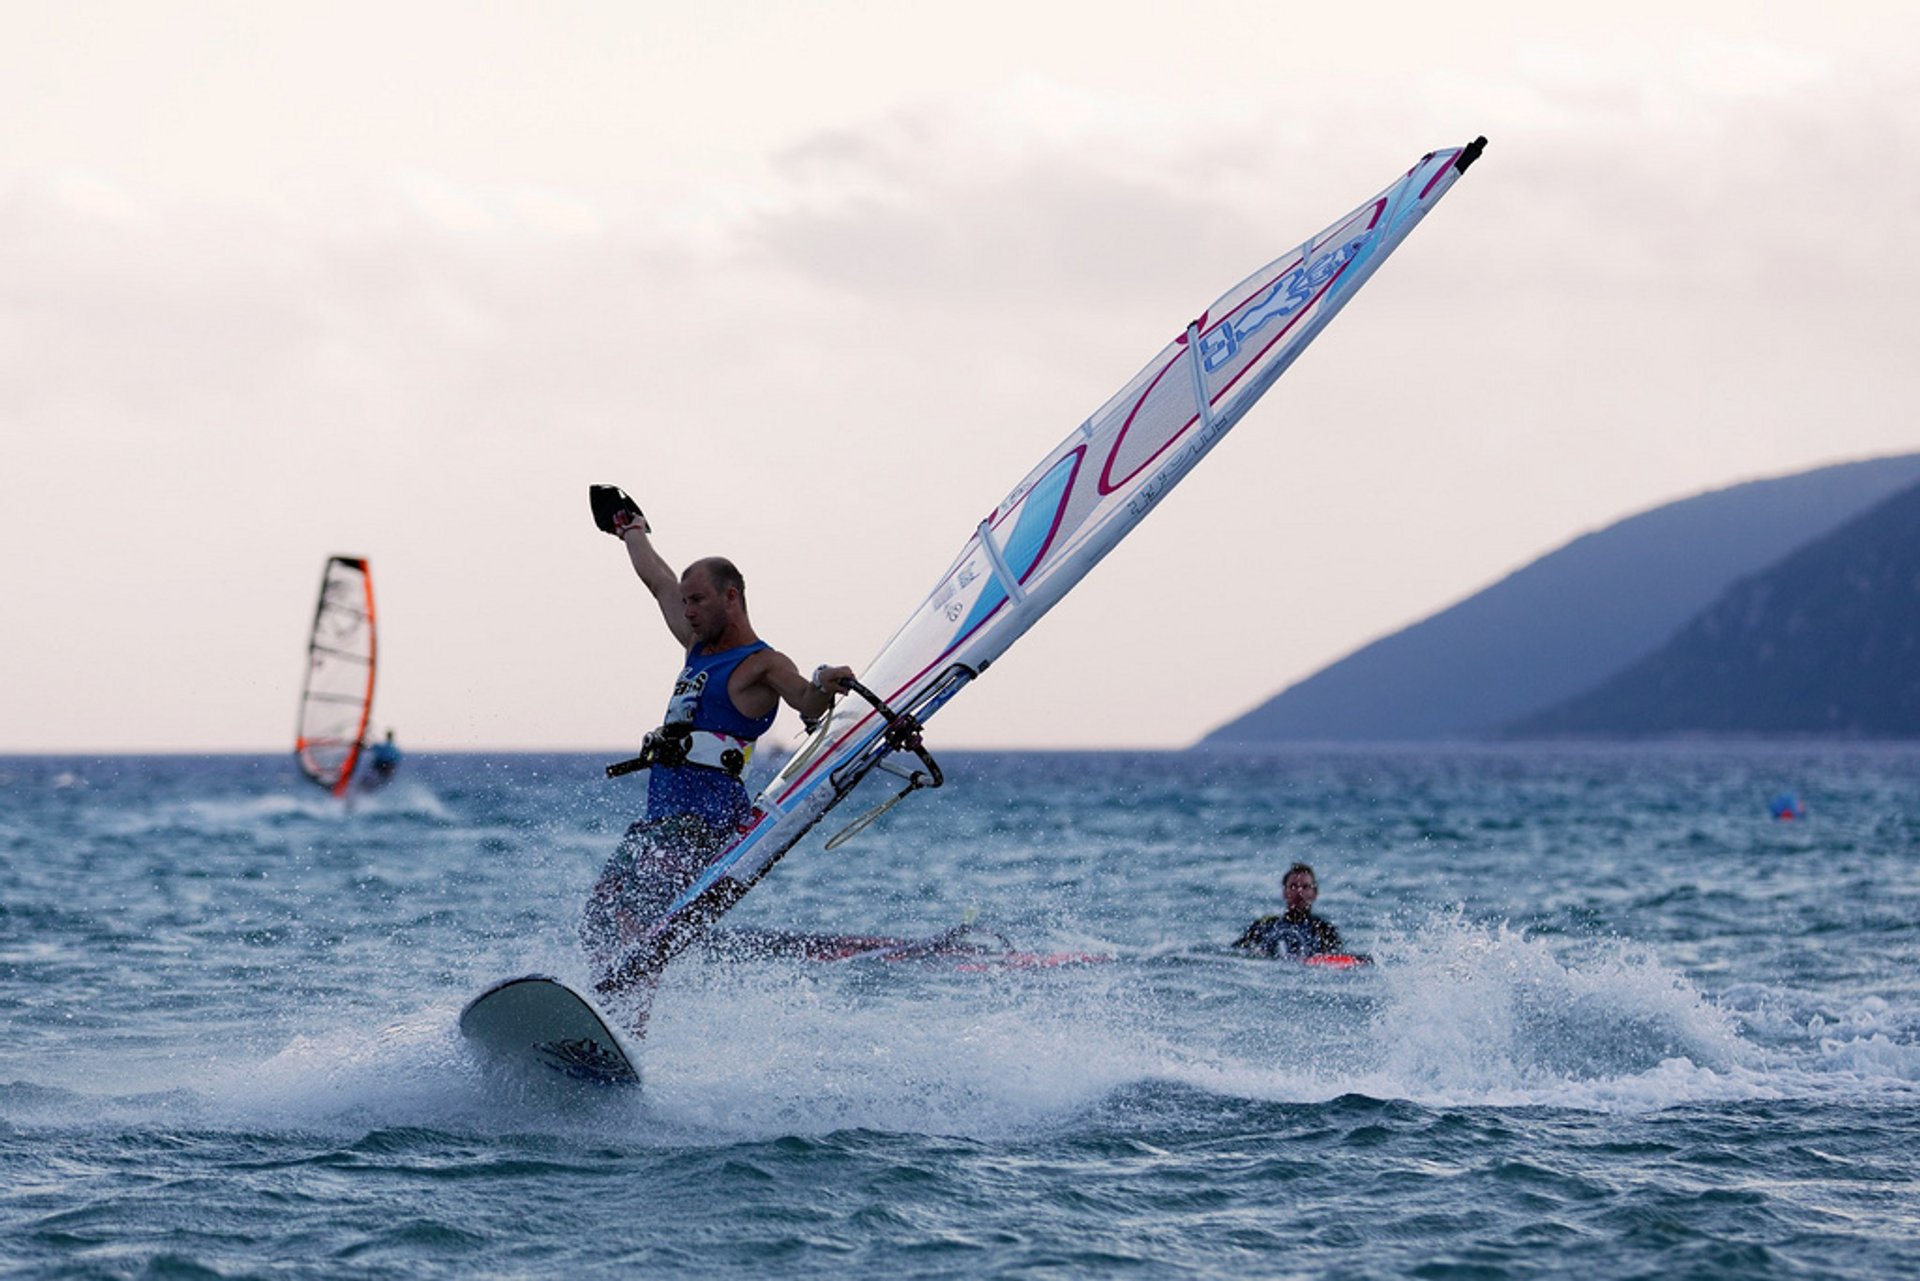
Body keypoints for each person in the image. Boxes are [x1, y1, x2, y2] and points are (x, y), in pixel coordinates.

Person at [579, 486, 854, 1027]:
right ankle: (615, 1020)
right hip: (663, 821)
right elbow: (657, 581)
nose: (687, 611)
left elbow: (806, 699)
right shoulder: (697, 649)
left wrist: (827, 680)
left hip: (703, 825)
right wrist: (629, 529)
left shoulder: (761, 664)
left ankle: (626, 1024)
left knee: (637, 919)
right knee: (600, 917)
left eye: (697, 600)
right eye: (686, 603)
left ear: (730, 597)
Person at [1232, 862, 1356, 960]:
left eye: (1305, 887)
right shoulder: (1264, 926)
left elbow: (1336, 961)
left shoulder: (1325, 931)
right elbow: (1235, 954)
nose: (1299, 892)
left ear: (1315, 893)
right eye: (1293, 886)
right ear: (1284, 892)